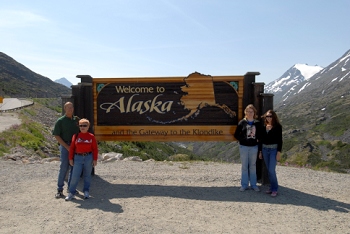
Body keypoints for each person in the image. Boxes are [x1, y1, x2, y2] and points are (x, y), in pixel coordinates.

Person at [65, 118, 98, 201]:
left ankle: (86, 191)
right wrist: (70, 159)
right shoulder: (75, 136)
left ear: (88, 127)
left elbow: (95, 149)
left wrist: (95, 159)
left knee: (87, 175)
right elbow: (72, 148)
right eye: (81, 125)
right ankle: (71, 192)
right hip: (78, 157)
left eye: (84, 125)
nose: (82, 127)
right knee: (75, 176)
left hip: (88, 157)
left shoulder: (91, 136)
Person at [53, 102, 80, 198]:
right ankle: (60, 189)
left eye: (72, 107)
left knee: (73, 168)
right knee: (64, 167)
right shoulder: (60, 121)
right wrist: (66, 146)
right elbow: (56, 135)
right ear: (65, 109)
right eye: (68, 107)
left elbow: (83, 129)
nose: (70, 109)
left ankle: (71, 188)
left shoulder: (76, 120)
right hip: (65, 146)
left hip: (75, 146)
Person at [234, 104, 261, 192]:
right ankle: (244, 185)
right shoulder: (242, 122)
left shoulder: (257, 123)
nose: (250, 113)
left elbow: (260, 135)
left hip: (254, 147)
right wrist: (244, 139)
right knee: (245, 166)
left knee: (253, 166)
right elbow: (236, 134)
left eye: (251, 111)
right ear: (245, 112)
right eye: (248, 111)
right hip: (244, 147)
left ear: (254, 113)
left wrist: (257, 140)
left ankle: (253, 185)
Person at [259, 110, 283, 197]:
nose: (269, 118)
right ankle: (271, 187)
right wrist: (260, 151)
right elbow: (261, 140)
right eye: (267, 116)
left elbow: (280, 140)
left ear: (274, 117)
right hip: (265, 149)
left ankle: (275, 189)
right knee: (269, 170)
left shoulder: (278, 127)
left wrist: (279, 152)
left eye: (270, 116)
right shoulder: (263, 127)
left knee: (271, 170)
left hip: (273, 150)